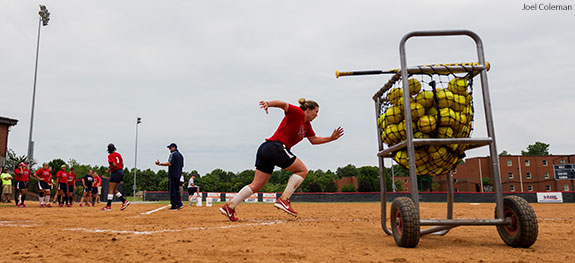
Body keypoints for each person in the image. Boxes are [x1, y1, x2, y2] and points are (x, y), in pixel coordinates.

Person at [220, 99, 344, 221]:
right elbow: (284, 105)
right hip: (275, 147)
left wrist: (331, 138)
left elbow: (314, 140)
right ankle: (284, 200)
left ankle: (229, 207)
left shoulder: (307, 126)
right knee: (302, 171)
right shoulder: (298, 113)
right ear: (308, 110)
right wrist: (268, 104)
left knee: (257, 185)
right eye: (316, 111)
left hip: (267, 149)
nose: (317, 115)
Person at [155, 143, 184, 210]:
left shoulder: (173, 154)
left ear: (174, 148)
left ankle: (174, 205)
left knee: (172, 190)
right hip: (178, 174)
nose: (169, 149)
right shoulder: (181, 155)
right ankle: (179, 204)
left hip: (173, 174)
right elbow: (182, 165)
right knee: (177, 190)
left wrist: (160, 164)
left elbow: (169, 163)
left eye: (170, 148)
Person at [101, 143, 130, 211]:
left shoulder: (110, 155)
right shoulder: (118, 154)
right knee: (114, 189)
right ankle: (124, 201)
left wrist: (109, 170)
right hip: (120, 171)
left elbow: (113, 165)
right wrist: (120, 170)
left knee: (110, 189)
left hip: (115, 172)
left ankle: (108, 206)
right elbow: (122, 164)